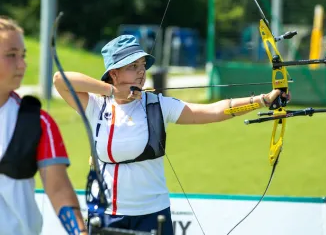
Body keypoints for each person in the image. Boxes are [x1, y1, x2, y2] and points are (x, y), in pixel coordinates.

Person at [53, 34, 288, 234]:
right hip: (106, 215)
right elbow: (60, 80)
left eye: (142, 65)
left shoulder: (156, 105)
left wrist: (261, 100)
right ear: (113, 74)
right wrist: (111, 91)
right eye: (132, 66)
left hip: (153, 215)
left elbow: (210, 111)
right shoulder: (95, 105)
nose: (141, 72)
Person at [0, 16, 87, 235]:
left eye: (23, 56)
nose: (22, 65)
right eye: (11, 55)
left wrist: (80, 232)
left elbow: (58, 189)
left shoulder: (39, 122)